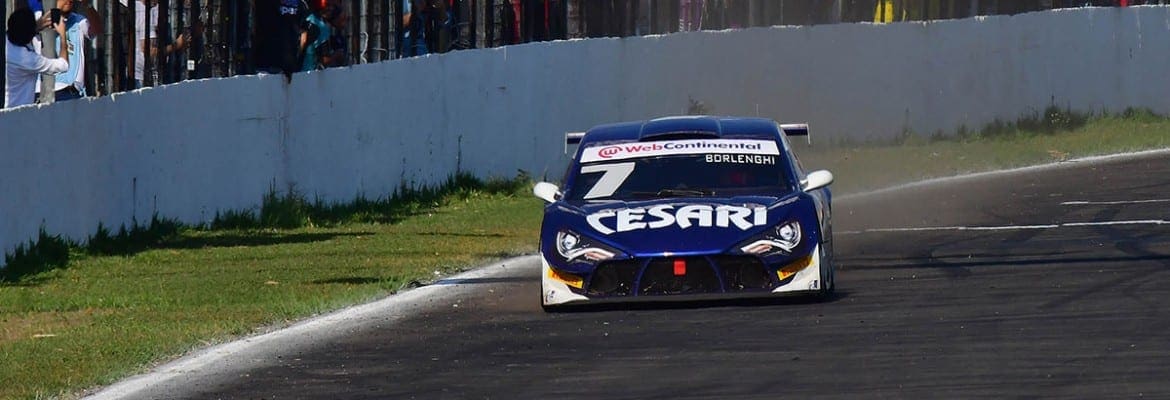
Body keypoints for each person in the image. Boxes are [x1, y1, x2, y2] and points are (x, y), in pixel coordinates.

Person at [5, 7, 69, 108]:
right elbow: (63, 65)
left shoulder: (6, 45)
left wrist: (36, 26)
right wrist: (63, 35)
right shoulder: (28, 59)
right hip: (18, 112)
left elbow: (18, 33)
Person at [48, 0, 101, 101]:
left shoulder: (78, 20)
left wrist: (88, 5)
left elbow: (96, 29)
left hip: (73, 90)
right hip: (51, 89)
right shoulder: (43, 21)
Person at [133, 0, 190, 88]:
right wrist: (177, 45)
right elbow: (149, 51)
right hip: (143, 76)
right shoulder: (144, 12)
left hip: (148, 73)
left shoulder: (144, 8)